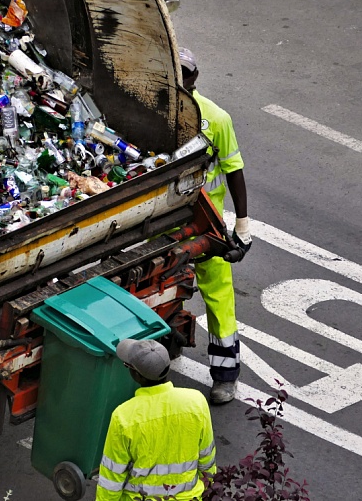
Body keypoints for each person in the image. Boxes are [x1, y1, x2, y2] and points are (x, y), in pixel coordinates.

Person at [178, 46, 252, 405]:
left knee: (219, 297)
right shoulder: (152, 110)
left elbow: (234, 170)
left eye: (185, 73)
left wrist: (243, 225)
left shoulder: (216, 119)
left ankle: (225, 377)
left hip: (205, 223)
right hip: (163, 221)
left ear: (196, 76)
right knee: (163, 285)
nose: (180, 79)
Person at [96, 338, 217, 500]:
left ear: (136, 375)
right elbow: (207, 459)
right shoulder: (196, 402)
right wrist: (209, 487)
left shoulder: (124, 416)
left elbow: (112, 478)